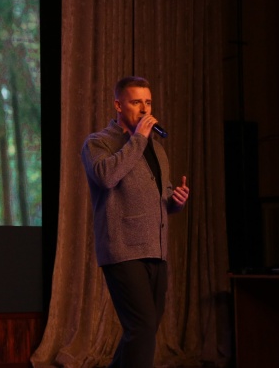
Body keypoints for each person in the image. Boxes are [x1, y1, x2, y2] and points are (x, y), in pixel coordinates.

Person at [80, 76, 190, 368]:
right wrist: (138, 139)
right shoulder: (98, 143)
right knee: (140, 328)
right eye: (136, 102)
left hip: (156, 250)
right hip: (123, 250)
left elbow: (160, 196)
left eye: (148, 102)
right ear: (118, 104)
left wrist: (174, 200)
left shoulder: (158, 149)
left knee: (145, 331)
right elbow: (106, 176)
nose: (144, 109)